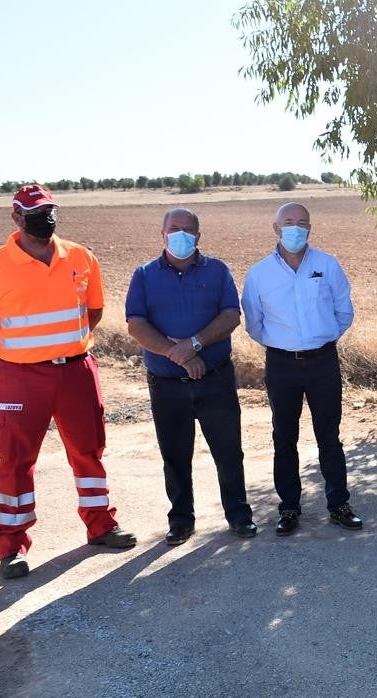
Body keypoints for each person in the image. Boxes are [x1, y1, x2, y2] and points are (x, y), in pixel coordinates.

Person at [0, 184, 136, 579]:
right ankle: (11, 546)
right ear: (16, 218)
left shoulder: (80, 257)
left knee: (89, 449)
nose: (45, 219)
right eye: (35, 213)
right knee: (14, 460)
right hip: (20, 378)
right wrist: (14, 355)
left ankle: (101, 525)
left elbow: (93, 311)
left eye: (49, 210)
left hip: (76, 371)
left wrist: (71, 346)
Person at [125, 208, 256, 545]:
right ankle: (181, 520)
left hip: (215, 379)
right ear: (162, 233)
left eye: (188, 229)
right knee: (175, 454)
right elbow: (136, 324)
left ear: (199, 236)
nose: (181, 234)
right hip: (166, 384)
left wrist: (194, 344)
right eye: (174, 228)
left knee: (228, 451)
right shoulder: (144, 275)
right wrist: (179, 355)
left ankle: (239, 515)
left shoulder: (217, 271)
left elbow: (230, 316)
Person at [241, 202, 361, 535]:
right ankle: (289, 508)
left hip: (323, 362)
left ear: (310, 227)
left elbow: (343, 312)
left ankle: (339, 504)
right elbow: (254, 322)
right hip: (281, 365)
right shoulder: (259, 274)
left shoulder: (327, 264)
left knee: (329, 437)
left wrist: (320, 340)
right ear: (275, 227)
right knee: (284, 438)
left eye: (302, 222)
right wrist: (285, 344)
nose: (296, 228)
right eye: (289, 222)